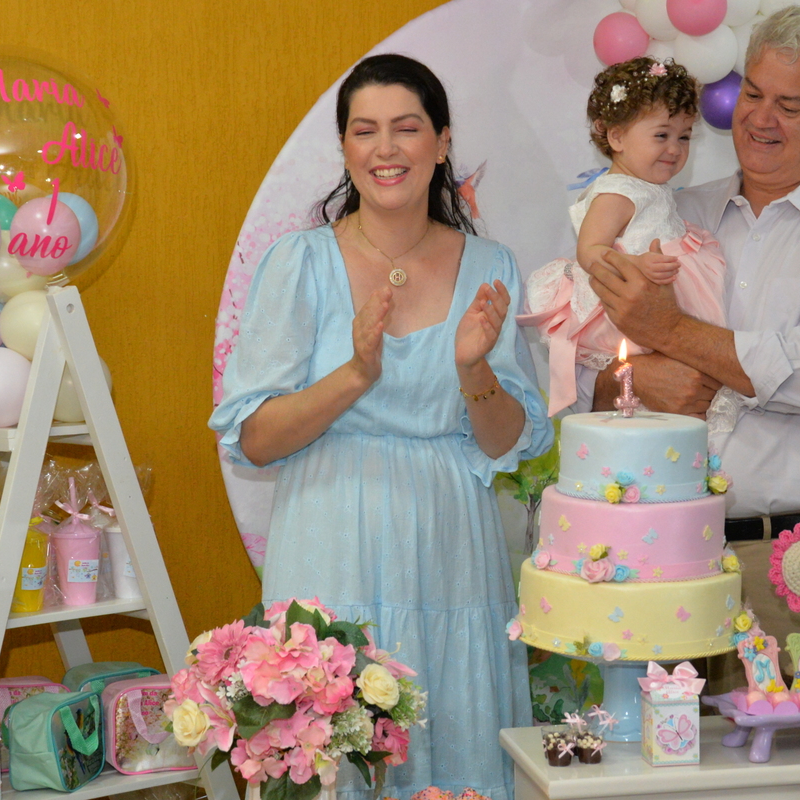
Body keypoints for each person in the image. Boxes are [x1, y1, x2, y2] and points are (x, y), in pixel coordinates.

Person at [210, 54, 553, 800]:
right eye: (364, 130)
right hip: (329, 539)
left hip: (452, 546)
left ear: (443, 141)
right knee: (334, 752)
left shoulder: (490, 265)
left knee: (455, 736)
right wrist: (355, 374)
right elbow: (254, 439)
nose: (385, 148)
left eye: (407, 127)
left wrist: (472, 368)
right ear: (344, 148)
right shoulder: (299, 263)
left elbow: (507, 442)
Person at [578, 4, 800, 687]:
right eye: (754, 94)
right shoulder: (677, 210)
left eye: (790, 105)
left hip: (792, 564)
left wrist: (672, 333)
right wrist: (627, 381)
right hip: (662, 555)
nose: (761, 119)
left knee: (798, 749)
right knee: (657, 753)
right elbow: (596, 356)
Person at [520, 56, 739, 427]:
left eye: (684, 136)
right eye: (662, 135)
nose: (675, 148)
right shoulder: (617, 193)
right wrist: (635, 264)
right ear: (617, 137)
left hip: (668, 296)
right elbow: (590, 251)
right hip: (640, 295)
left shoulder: (648, 187)